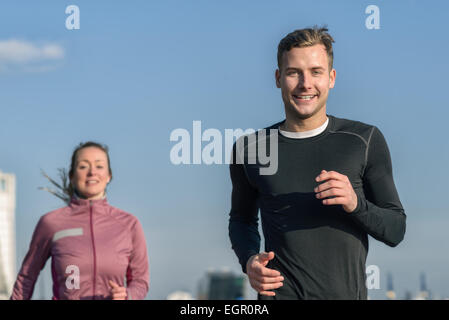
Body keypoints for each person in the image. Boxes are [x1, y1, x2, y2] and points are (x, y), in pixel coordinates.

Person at [228, 26, 406, 300]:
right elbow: (241, 220)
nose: (305, 83)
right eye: (293, 72)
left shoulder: (363, 140)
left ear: (331, 78)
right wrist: (250, 259)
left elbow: (396, 229)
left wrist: (355, 204)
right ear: (278, 78)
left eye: (316, 71)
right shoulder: (250, 149)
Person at [10, 141, 149, 300]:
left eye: (99, 166)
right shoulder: (51, 223)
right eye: (83, 166)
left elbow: (140, 280)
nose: (92, 172)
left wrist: (127, 295)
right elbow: (27, 277)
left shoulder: (129, 224)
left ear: (109, 176)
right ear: (72, 176)